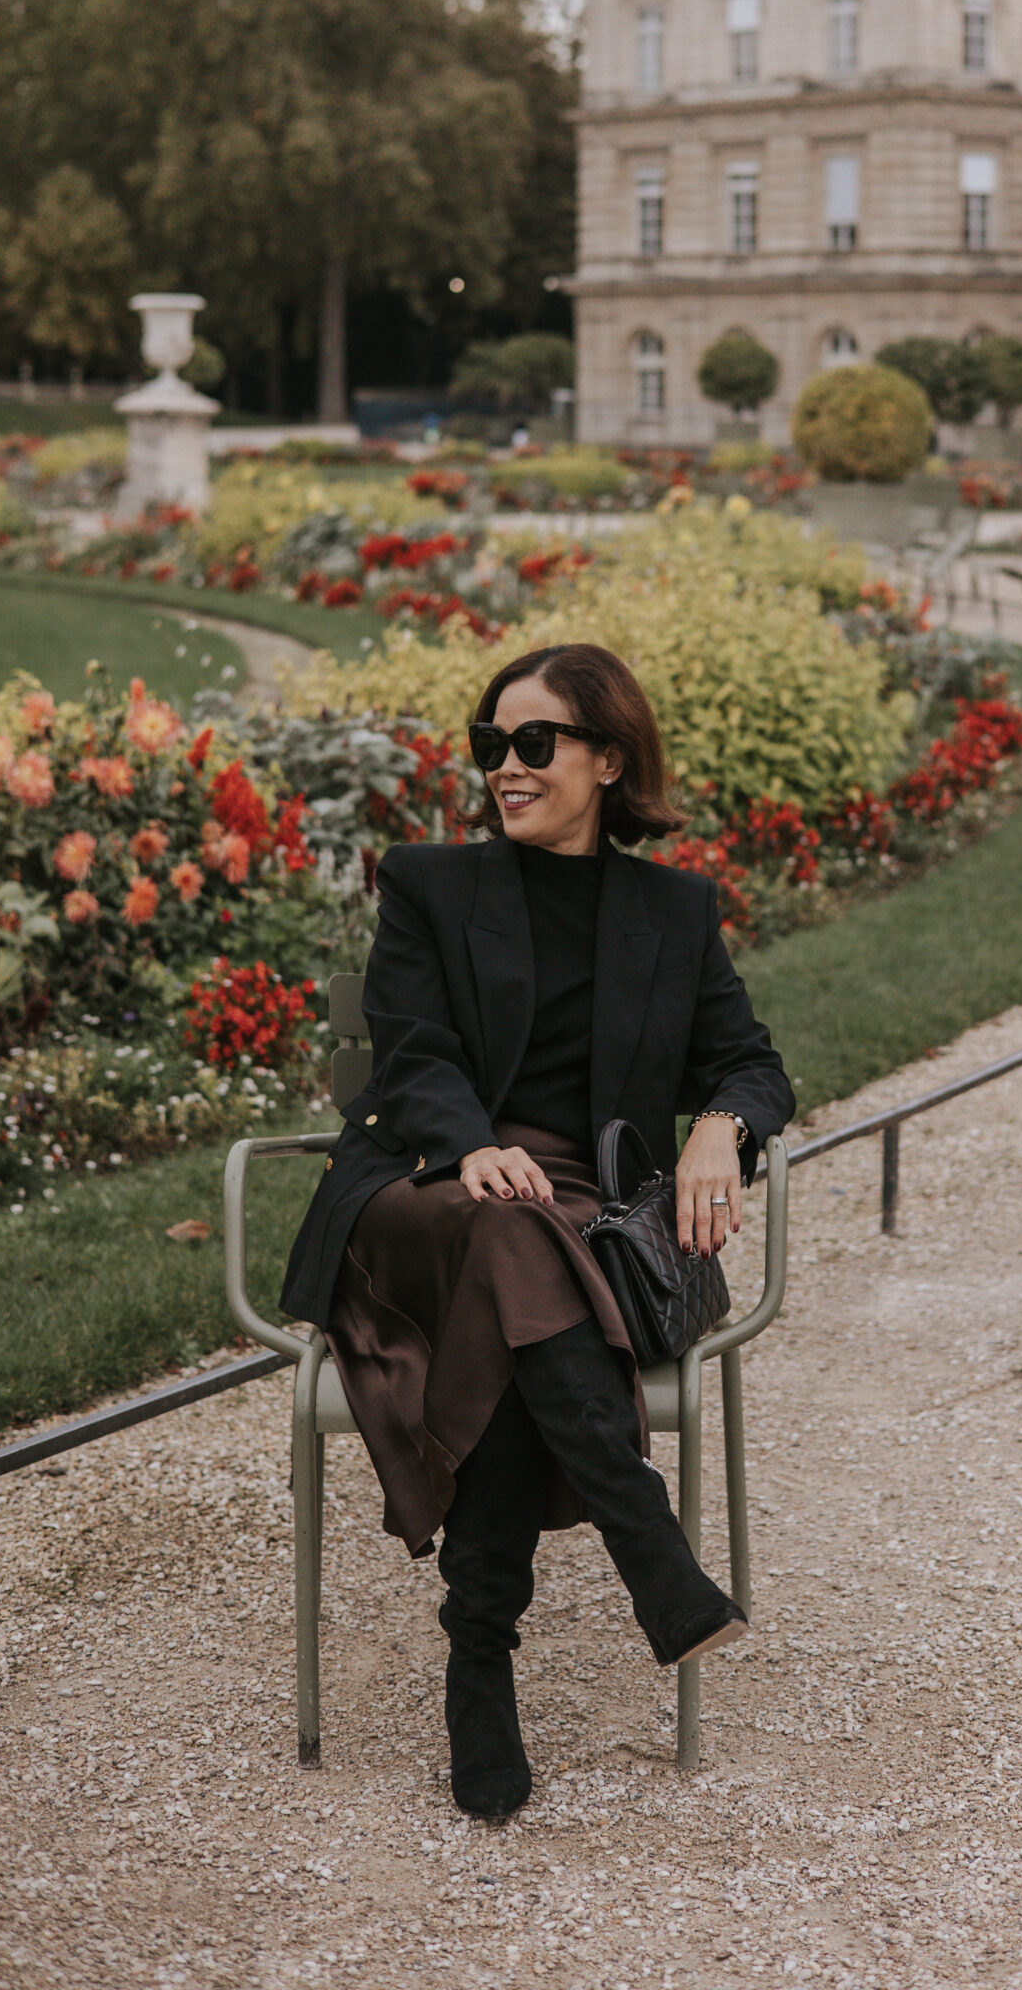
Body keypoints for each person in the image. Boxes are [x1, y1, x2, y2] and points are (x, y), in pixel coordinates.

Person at [280, 641, 795, 1822]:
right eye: (490, 744)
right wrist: (470, 1143)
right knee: (508, 1233)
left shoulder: (673, 909)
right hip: (421, 1189)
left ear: (609, 759)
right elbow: (412, 1049)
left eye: (533, 742)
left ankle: (479, 1653)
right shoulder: (431, 883)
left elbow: (751, 1063)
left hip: (579, 1216)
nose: (504, 767)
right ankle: (645, 1541)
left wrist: (719, 1130)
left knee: (519, 1272)